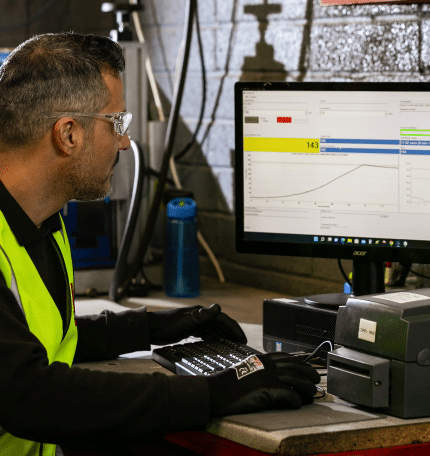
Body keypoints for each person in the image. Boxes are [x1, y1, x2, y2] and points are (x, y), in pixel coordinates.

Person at [0, 32, 320, 456]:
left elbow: (40, 342)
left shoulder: (41, 220)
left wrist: (153, 326)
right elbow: (27, 394)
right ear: (69, 135)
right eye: (117, 124)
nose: (125, 142)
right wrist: (214, 392)